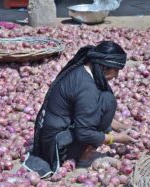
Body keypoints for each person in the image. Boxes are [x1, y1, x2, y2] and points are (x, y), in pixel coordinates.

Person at [23, 41, 137, 178]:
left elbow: (86, 111)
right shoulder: (87, 88)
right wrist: (116, 138)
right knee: (108, 100)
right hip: (57, 144)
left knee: (106, 98)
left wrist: (121, 126)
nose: (117, 76)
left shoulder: (84, 70)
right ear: (104, 67)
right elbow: (84, 133)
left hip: (50, 134)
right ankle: (84, 154)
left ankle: (84, 149)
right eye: (116, 70)